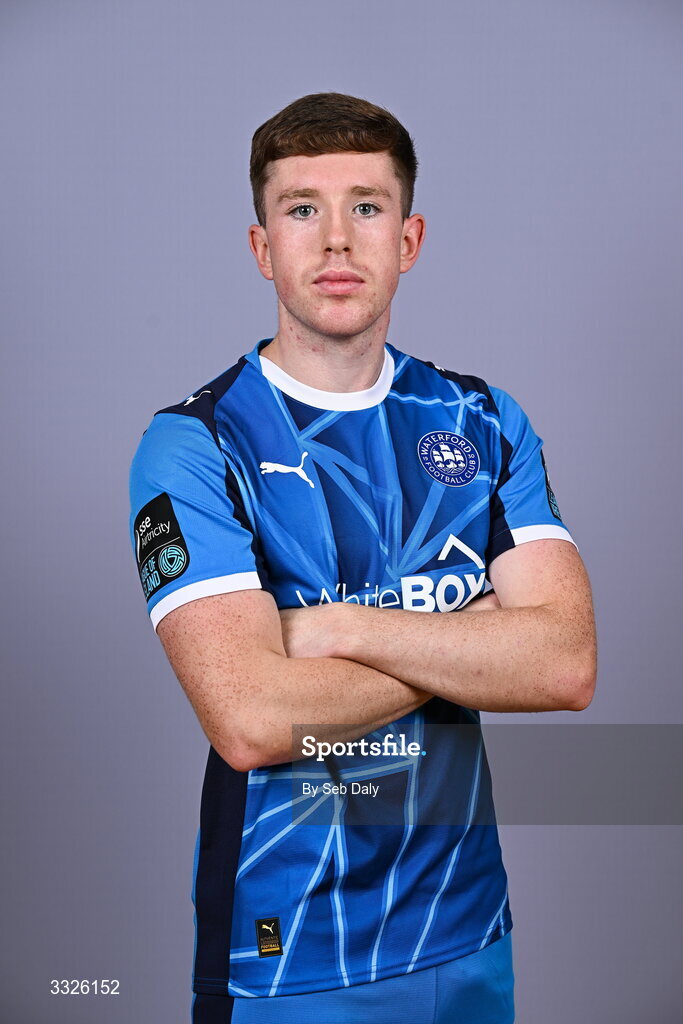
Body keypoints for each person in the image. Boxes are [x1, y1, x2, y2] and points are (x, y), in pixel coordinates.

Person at [128, 92, 596, 1024]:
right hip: (286, 951)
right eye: (302, 208)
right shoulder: (193, 444)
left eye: (366, 207)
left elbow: (564, 664)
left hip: (467, 930)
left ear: (408, 239)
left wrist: (341, 627)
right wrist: (469, 637)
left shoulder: (483, 421)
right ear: (263, 247)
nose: (336, 241)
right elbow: (253, 719)